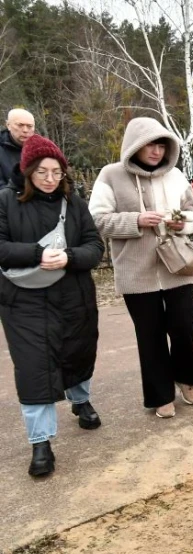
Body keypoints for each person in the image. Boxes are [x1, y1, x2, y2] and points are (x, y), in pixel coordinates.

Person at [0, 135, 104, 476]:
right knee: (34, 368)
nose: (49, 178)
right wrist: (37, 253)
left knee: (77, 351)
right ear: (27, 170)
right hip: (24, 302)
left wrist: (70, 257)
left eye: (56, 172)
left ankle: (80, 401)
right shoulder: (6, 200)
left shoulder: (73, 202)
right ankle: (40, 443)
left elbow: (94, 246)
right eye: (42, 171)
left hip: (73, 296)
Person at [90, 117, 193, 420]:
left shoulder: (176, 176)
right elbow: (98, 220)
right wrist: (135, 220)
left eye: (160, 145)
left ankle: (185, 376)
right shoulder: (111, 175)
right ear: (133, 146)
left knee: (184, 323)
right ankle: (160, 394)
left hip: (177, 266)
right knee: (150, 334)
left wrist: (183, 223)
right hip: (136, 272)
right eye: (149, 145)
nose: (155, 151)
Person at [0, 109, 36, 190]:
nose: (25, 130)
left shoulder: (43, 149)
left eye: (29, 126)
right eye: (20, 125)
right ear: (8, 125)